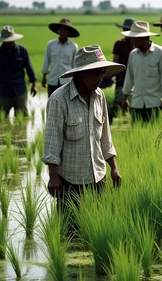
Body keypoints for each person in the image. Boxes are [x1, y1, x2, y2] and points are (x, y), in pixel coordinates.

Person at [42, 45, 124, 213]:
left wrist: (114, 167)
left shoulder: (99, 96)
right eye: (96, 72)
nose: (101, 77)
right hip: (71, 182)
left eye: (102, 72)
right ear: (81, 73)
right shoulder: (59, 99)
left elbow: (105, 137)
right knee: (70, 233)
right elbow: (52, 141)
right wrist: (53, 176)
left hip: (98, 178)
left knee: (97, 229)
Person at [121, 21, 162, 123]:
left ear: (144, 38)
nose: (131, 41)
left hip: (154, 103)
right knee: (137, 133)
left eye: (134, 38)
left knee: (154, 133)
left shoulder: (160, 53)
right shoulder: (133, 55)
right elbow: (129, 78)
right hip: (136, 103)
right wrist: (125, 99)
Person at [0, 25, 37, 117]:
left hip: (20, 91)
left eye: (10, 40)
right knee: (1, 118)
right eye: (6, 41)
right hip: (4, 92)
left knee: (23, 119)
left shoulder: (22, 51)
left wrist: (34, 85)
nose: (8, 43)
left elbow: (29, 68)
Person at [41, 18, 79, 97]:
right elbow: (46, 61)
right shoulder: (51, 45)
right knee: (52, 103)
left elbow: (75, 65)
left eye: (65, 30)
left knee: (66, 104)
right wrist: (44, 77)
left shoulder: (73, 46)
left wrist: (76, 81)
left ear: (68, 32)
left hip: (67, 81)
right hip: (53, 80)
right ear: (58, 31)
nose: (63, 32)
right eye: (61, 30)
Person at [108, 18, 135, 122]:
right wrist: (110, 76)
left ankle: (130, 124)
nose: (127, 32)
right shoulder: (119, 44)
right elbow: (115, 62)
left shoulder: (137, 45)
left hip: (135, 80)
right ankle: (113, 124)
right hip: (121, 79)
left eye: (130, 29)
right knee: (119, 102)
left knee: (133, 105)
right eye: (125, 29)